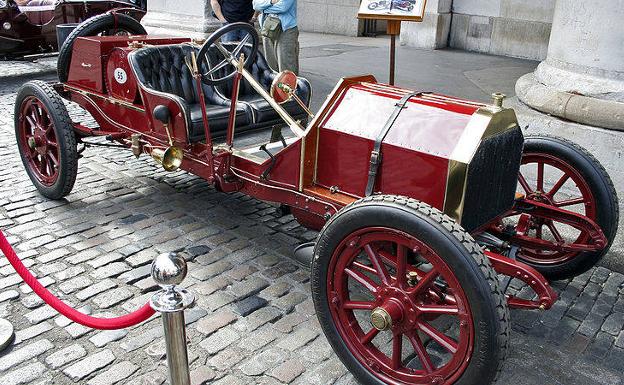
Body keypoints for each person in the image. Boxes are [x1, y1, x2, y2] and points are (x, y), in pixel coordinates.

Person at [252, 0, 299, 75]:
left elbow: (283, 7)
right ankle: (274, 86)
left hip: (285, 30)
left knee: (286, 66)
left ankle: (288, 86)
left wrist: (263, 9)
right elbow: (255, 5)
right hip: (267, 27)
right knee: (271, 66)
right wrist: (270, 2)